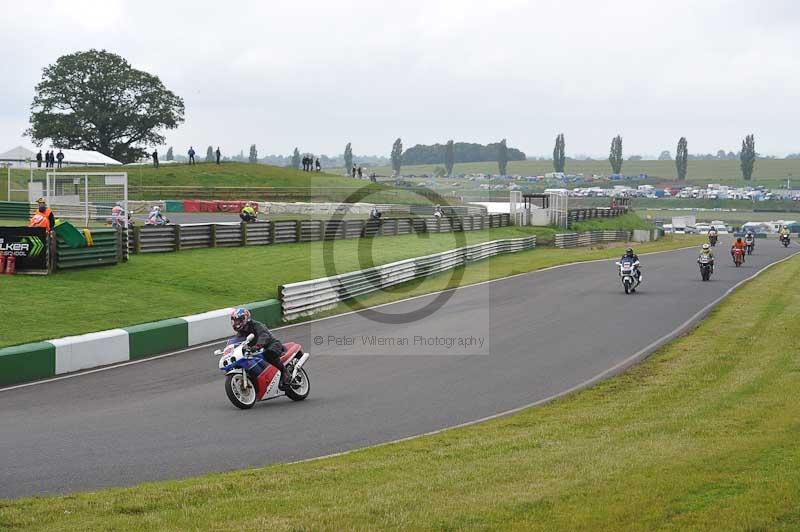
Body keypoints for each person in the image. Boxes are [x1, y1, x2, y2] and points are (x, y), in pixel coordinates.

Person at [230, 308, 292, 390]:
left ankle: (284, 372)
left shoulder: (256, 325)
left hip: (271, 344)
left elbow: (264, 335)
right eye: (235, 321)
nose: (237, 323)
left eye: (239, 320)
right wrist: (232, 350)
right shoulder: (241, 333)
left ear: (245, 318)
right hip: (257, 349)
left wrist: (257, 345)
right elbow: (237, 343)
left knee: (268, 354)